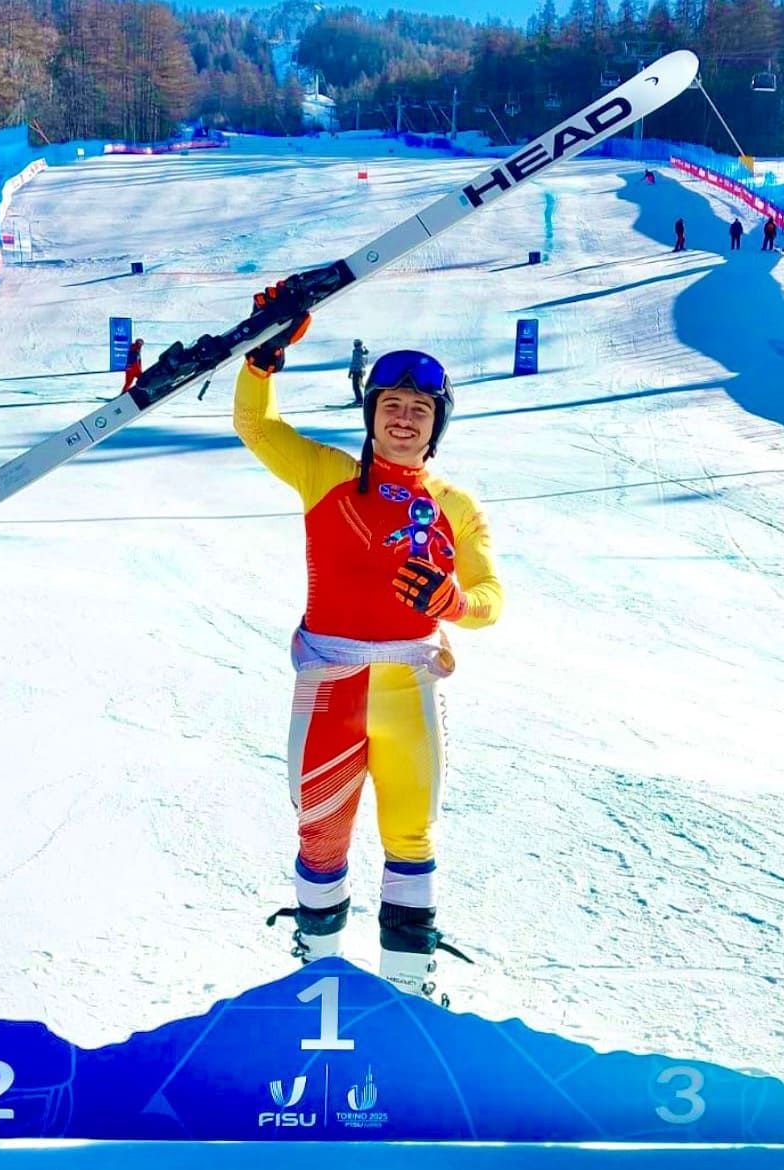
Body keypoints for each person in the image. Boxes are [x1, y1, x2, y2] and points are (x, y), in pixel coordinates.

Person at [234, 285, 503, 1000]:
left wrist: (452, 602)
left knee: (411, 841)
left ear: (437, 424)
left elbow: (490, 600)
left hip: (408, 688)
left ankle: (408, 993)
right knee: (320, 840)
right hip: (331, 684)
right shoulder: (325, 475)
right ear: (372, 415)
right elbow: (257, 428)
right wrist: (261, 361)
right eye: (392, 407)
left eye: (420, 410)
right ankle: (315, 984)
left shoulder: (454, 508)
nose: (405, 420)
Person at [348, 338, 369, 404]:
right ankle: (359, 399)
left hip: (356, 370)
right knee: (357, 386)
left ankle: (359, 399)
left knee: (356, 386)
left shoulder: (356, 351)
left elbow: (354, 362)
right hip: (360, 370)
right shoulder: (362, 351)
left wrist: (351, 371)